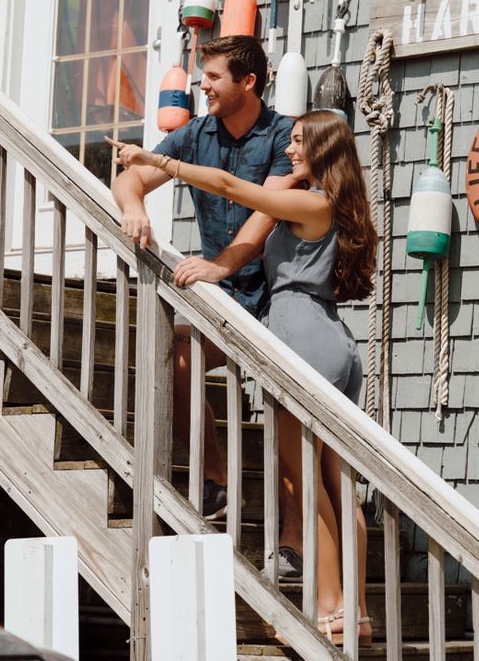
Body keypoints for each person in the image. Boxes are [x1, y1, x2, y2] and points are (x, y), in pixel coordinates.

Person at [112, 109, 377, 644]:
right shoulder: (331, 202)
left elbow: (233, 187)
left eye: (301, 142)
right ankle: (357, 615)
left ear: (324, 150)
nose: (292, 149)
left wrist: (158, 160)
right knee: (336, 483)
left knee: (307, 484)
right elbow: (261, 201)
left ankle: (329, 609)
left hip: (301, 340)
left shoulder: (312, 202)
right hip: (332, 342)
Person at [110, 35, 302, 571]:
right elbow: (133, 177)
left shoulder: (286, 135)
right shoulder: (198, 131)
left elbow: (266, 214)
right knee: (180, 357)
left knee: (284, 418)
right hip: (227, 296)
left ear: (248, 82)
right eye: (201, 76)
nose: (202, 86)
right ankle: (217, 478)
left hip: (278, 293)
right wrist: (134, 209)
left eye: (213, 77)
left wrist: (221, 266)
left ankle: (291, 543)